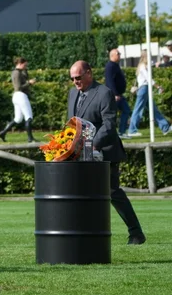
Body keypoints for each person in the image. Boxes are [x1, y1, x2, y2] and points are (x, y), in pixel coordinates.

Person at [68, 60, 145, 245]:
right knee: (79, 193)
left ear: (89, 73)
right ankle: (83, 233)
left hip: (105, 153)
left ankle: (136, 233)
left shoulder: (104, 93)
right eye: (72, 79)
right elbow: (71, 124)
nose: (75, 82)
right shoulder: (72, 93)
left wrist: (93, 145)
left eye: (78, 78)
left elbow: (109, 125)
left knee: (112, 193)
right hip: (80, 154)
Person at [125, 51, 170, 138]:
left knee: (153, 109)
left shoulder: (142, 66)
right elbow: (148, 78)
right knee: (138, 110)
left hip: (144, 89)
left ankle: (165, 127)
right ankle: (132, 130)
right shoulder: (142, 66)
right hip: (144, 89)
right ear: (146, 57)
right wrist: (158, 87)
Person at [0, 57, 36, 142]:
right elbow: (18, 87)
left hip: (17, 96)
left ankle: (3, 133)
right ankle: (30, 138)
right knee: (29, 117)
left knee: (18, 119)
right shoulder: (16, 73)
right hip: (20, 95)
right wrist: (29, 83)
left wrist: (26, 74)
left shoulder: (19, 72)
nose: (26, 67)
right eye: (25, 65)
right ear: (21, 64)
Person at [104, 48, 130, 135]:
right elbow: (110, 81)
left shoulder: (115, 65)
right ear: (112, 55)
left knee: (126, 110)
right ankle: (113, 132)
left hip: (118, 94)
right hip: (114, 95)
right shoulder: (110, 66)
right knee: (112, 114)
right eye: (118, 54)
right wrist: (115, 94)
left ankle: (121, 131)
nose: (120, 55)